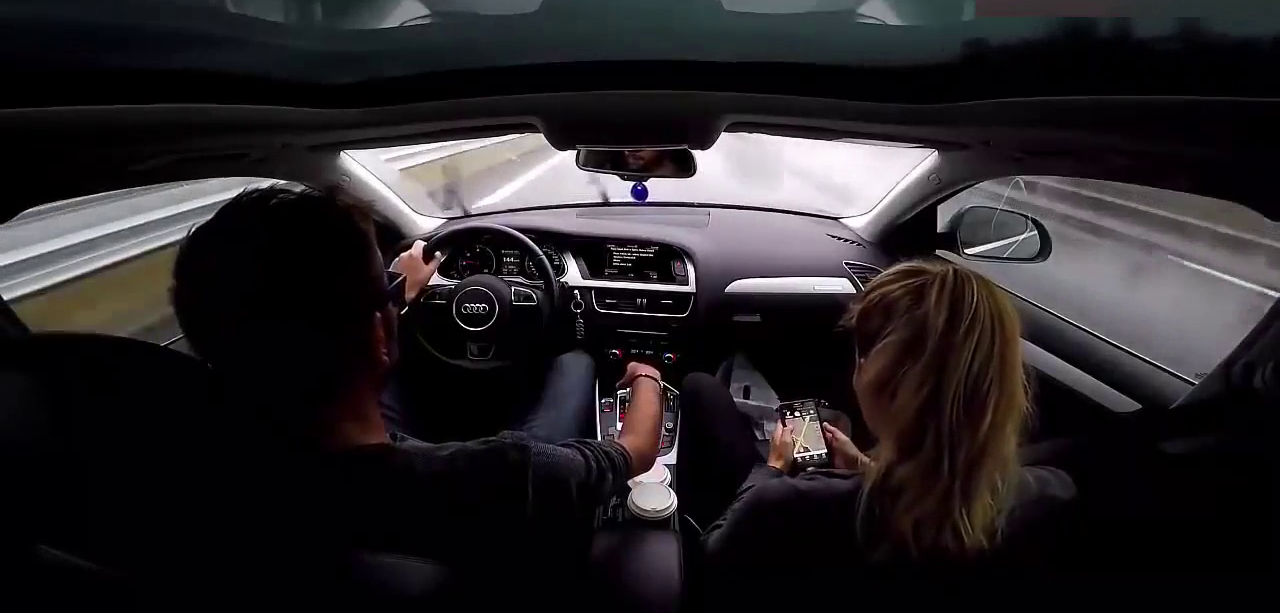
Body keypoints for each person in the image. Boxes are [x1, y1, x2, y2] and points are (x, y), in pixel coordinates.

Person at [170, 185, 665, 572]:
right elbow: (636, 450)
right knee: (574, 362)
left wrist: (400, 295)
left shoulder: (194, 483)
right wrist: (647, 375)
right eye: (384, 296)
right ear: (378, 333)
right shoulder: (513, 475)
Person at [676, 259, 1075, 594]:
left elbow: (707, 566)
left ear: (874, 376)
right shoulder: (1048, 493)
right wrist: (866, 467)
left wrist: (774, 467)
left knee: (699, 389)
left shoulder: (784, 507)